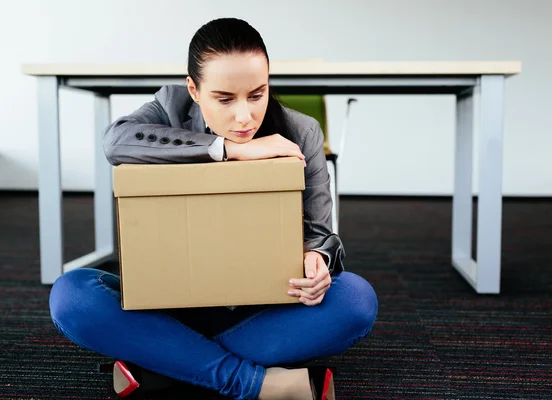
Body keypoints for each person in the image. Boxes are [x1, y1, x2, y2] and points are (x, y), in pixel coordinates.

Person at [48, 17, 378, 400]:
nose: (244, 116)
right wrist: (227, 150)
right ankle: (253, 382)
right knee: (72, 296)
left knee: (356, 299)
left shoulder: (301, 132)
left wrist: (316, 258)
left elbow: (320, 233)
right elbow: (115, 142)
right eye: (224, 99)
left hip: (262, 308)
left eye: (257, 94)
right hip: (169, 304)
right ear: (194, 89)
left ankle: (161, 363)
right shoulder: (170, 106)